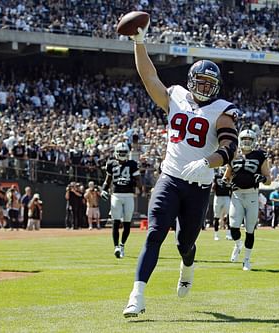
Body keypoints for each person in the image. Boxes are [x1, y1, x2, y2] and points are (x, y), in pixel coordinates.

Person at [123, 21, 239, 318]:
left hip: (199, 185)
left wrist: (205, 162)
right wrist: (139, 42)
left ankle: (187, 265)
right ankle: (137, 294)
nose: (202, 88)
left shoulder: (223, 110)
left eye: (208, 84)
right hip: (170, 178)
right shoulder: (174, 96)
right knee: (154, 235)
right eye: (199, 81)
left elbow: (228, 149)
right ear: (191, 81)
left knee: (184, 242)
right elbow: (149, 76)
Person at [224, 129, 271, 271]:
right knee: (233, 226)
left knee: (250, 230)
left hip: (252, 195)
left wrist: (262, 178)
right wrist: (224, 181)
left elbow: (268, 179)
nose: (246, 142)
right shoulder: (233, 155)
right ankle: (238, 245)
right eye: (244, 139)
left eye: (249, 140)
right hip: (237, 195)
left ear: (254, 141)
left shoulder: (260, 155)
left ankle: (246, 260)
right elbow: (227, 176)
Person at [101, 142, 143, 258]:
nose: (122, 154)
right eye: (121, 152)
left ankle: (122, 245)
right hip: (116, 195)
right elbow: (108, 179)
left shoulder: (132, 164)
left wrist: (135, 184)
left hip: (129, 195)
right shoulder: (111, 163)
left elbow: (139, 181)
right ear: (116, 153)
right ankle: (116, 247)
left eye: (124, 152)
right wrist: (103, 189)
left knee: (127, 223)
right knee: (116, 222)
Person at [211, 166, 232, 241]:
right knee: (216, 217)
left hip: (226, 197)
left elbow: (231, 189)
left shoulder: (229, 177)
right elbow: (213, 188)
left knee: (229, 216)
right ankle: (216, 235)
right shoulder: (217, 176)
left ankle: (228, 234)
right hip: (218, 197)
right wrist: (214, 184)